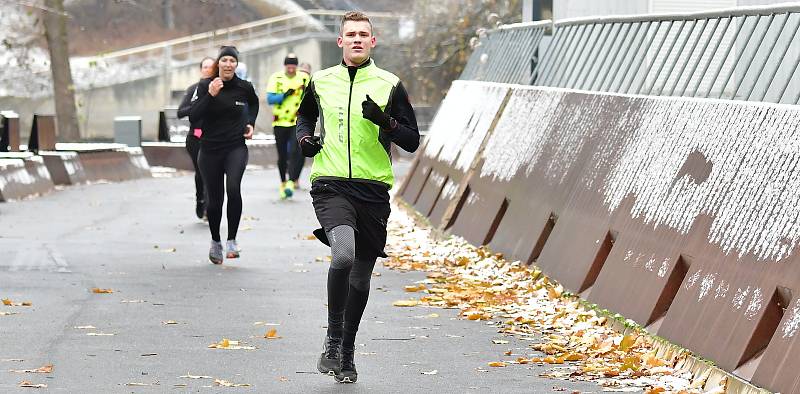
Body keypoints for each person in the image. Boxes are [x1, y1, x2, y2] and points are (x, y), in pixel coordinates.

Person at [296, 11, 420, 384]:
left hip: (372, 189)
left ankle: (347, 351)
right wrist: (305, 140)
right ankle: (333, 340)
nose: (356, 40)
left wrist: (385, 121)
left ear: (372, 42)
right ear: (340, 41)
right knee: (344, 253)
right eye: (350, 34)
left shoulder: (389, 84)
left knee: (362, 278)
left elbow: (412, 141)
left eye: (363, 35)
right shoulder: (321, 81)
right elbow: (304, 118)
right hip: (330, 182)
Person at [189, 46, 259, 264]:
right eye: (224, 60)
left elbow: (254, 103)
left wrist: (250, 123)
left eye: (232, 60)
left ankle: (232, 240)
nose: (228, 64)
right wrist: (210, 95)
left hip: (235, 147)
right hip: (209, 150)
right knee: (215, 199)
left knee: (233, 188)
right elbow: (193, 116)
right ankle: (216, 241)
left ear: (236, 64)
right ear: (218, 64)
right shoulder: (204, 86)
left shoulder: (244, 87)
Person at [266, 53, 310, 199]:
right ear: (285, 66)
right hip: (279, 121)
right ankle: (283, 182)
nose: (291, 69)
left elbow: (310, 97)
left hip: (296, 121)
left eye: (293, 66)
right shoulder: (276, 78)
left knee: (295, 151)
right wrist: (284, 95)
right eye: (288, 66)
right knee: (282, 155)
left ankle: (291, 180)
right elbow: (270, 99)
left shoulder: (303, 78)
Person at [177, 56, 214, 219]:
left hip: (215, 137)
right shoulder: (194, 89)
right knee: (202, 172)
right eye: (205, 67)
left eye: (211, 67)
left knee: (212, 172)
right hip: (196, 137)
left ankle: (209, 205)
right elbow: (180, 112)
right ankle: (201, 200)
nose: (208, 69)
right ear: (201, 69)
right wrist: (198, 104)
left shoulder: (221, 88)